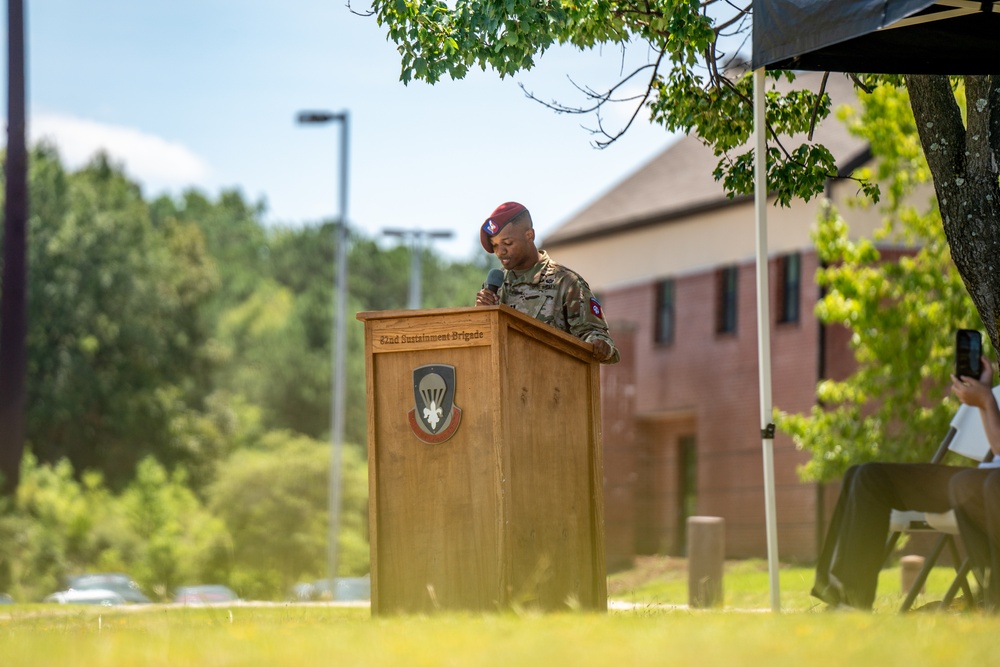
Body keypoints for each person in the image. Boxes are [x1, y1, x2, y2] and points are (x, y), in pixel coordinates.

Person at [811, 354, 1000, 610]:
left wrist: (987, 400)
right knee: (866, 476)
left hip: (985, 484)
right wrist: (984, 398)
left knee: (965, 484)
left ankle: (991, 599)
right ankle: (846, 600)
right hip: (987, 474)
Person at [474, 201, 620, 364]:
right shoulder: (497, 286)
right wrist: (482, 316)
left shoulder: (566, 282)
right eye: (495, 246)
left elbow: (594, 335)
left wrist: (599, 344)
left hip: (551, 381)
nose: (500, 252)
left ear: (529, 235)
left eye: (507, 243)